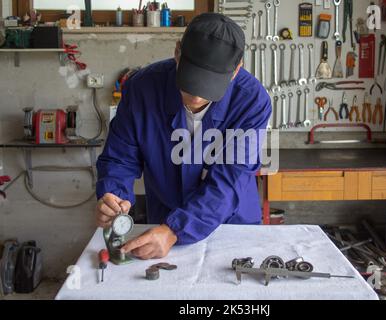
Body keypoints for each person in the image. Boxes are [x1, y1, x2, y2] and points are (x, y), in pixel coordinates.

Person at [95, 13, 272, 260]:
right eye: (191, 81)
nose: (198, 97)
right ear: (177, 52)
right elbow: (120, 158)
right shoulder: (142, 89)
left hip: (230, 224)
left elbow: (230, 180)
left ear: (235, 71)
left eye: (209, 86)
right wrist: (114, 196)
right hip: (165, 221)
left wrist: (176, 230)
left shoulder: (252, 101)